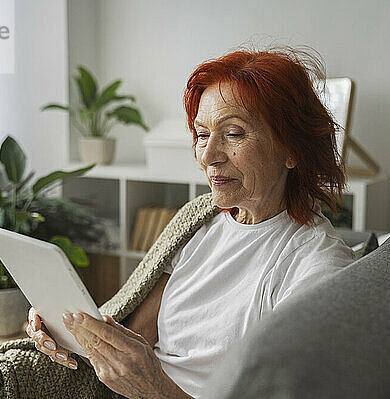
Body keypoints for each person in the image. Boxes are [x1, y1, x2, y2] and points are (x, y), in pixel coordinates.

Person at [26, 46, 355, 399]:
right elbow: (136, 338)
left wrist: (154, 389)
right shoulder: (198, 225)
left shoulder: (315, 269)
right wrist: (64, 326)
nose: (208, 156)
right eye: (201, 134)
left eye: (234, 134)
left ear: (292, 150)